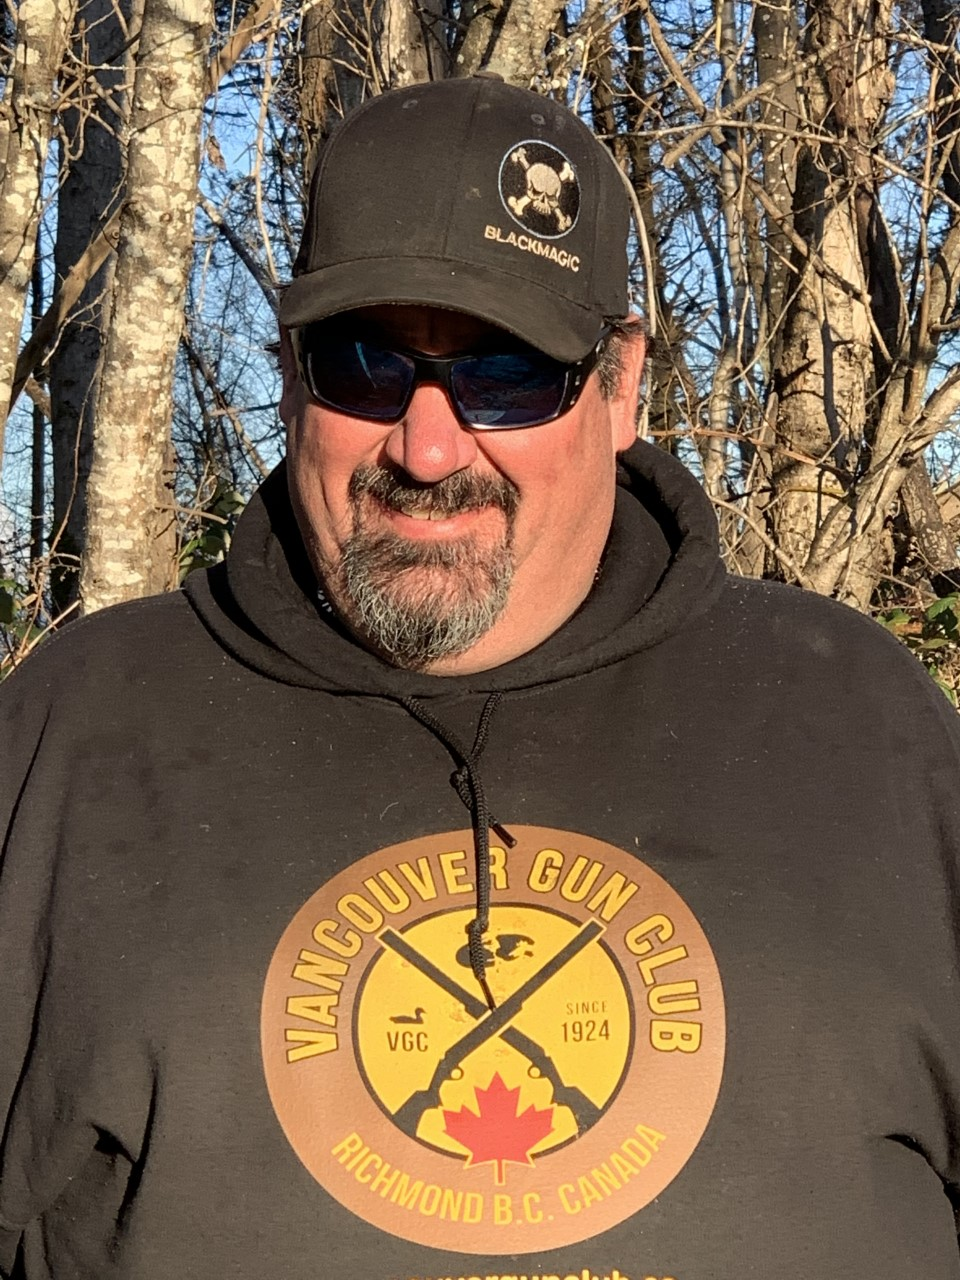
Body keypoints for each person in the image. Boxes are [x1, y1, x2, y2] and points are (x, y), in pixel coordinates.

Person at [2, 74, 960, 1280]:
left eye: (506, 371)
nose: (429, 444)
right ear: (292, 374)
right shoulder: (74, 729)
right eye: (364, 362)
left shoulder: (864, 726)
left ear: (621, 384)